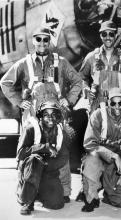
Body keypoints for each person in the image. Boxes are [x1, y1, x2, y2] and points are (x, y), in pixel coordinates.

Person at [0, 26, 82, 202]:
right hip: (32, 117)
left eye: (46, 39)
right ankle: (26, 192)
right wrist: (19, 102)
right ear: (33, 41)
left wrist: (68, 100)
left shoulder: (61, 62)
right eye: (39, 39)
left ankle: (65, 191)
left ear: (50, 41)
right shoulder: (25, 63)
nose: (42, 43)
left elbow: (77, 81)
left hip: (55, 116)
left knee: (61, 151)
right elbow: (5, 82)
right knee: (28, 153)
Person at [81, 87, 121, 212]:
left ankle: (109, 191)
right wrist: (114, 156)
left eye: (120, 103)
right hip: (99, 158)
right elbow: (89, 144)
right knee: (91, 160)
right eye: (113, 103)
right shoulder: (98, 115)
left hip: (116, 166)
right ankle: (91, 196)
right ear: (108, 103)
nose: (117, 106)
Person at [16, 101, 71, 215]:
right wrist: (44, 147)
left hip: (48, 170)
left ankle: (39, 192)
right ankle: (27, 200)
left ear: (58, 116)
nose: (50, 118)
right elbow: (21, 153)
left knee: (56, 204)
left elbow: (64, 156)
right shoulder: (31, 129)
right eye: (46, 114)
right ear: (40, 116)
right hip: (30, 169)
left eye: (54, 114)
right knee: (35, 160)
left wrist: (47, 167)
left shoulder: (61, 133)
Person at [79, 20, 121, 113]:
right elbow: (80, 78)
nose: (108, 37)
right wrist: (86, 89)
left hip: (118, 108)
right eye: (104, 34)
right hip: (98, 108)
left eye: (111, 34)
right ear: (100, 35)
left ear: (116, 35)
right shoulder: (91, 57)